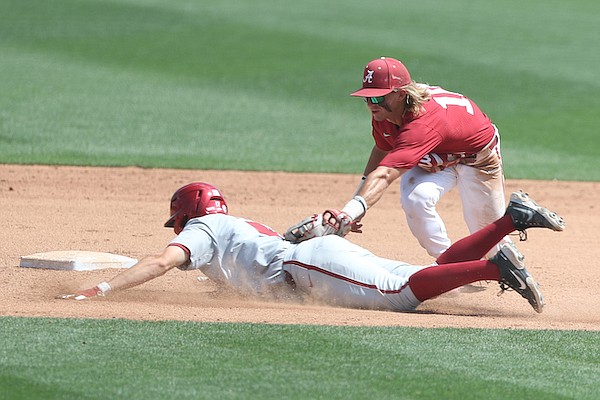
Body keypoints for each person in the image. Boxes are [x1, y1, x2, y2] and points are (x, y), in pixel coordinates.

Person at [60, 182, 564, 314]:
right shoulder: (240, 228)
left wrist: (99, 289)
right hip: (310, 260)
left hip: (308, 265)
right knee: (417, 276)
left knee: (403, 291)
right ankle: (509, 220)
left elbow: (160, 262)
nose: (179, 232)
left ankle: (494, 269)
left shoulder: (201, 232)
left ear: (187, 215)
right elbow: (261, 261)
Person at [299, 56, 512, 258]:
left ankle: (517, 273)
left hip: (476, 159)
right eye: (367, 97)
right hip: (432, 153)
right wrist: (358, 204)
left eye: (378, 97)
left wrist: (349, 212)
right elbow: (381, 150)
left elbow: (386, 174)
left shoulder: (422, 124)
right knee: (416, 200)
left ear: (401, 94)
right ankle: (451, 265)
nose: (372, 104)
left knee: (490, 241)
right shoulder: (384, 114)